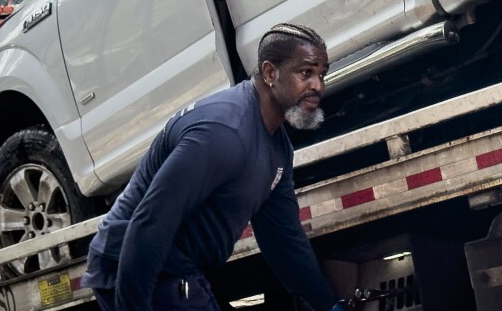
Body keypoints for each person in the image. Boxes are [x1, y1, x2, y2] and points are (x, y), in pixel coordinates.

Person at [84, 23, 340, 311]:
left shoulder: (278, 149)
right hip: (133, 264)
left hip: (177, 266)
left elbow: (284, 241)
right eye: (306, 72)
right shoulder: (223, 133)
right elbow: (150, 223)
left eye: (321, 74)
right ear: (270, 73)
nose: (317, 86)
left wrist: (329, 305)